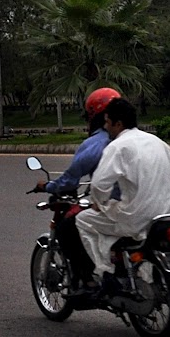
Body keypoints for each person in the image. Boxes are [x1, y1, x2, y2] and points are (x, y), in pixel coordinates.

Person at [74, 97, 170, 293]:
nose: (106, 127)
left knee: (83, 220)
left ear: (118, 124)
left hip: (137, 218)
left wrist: (98, 204)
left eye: (108, 122)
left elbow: (100, 185)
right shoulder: (157, 142)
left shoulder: (118, 146)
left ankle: (105, 272)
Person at [34, 87, 124, 292]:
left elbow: (70, 180)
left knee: (67, 228)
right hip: (155, 208)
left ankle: (88, 280)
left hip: (118, 208)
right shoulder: (144, 140)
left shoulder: (97, 143)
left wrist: (48, 186)